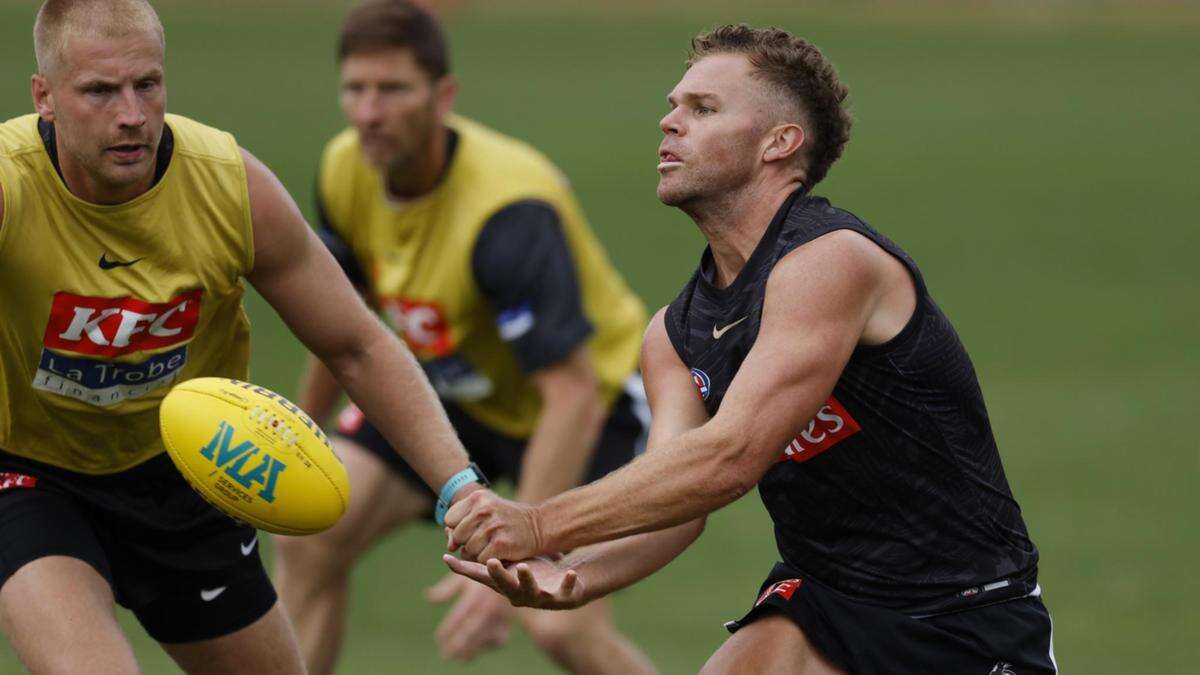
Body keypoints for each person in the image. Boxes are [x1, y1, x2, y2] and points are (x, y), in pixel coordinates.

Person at [442, 24, 1058, 675]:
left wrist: (539, 525)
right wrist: (576, 576)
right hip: (826, 600)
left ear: (779, 143)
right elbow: (680, 501)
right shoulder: (672, 337)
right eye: (674, 105)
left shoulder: (829, 263)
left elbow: (728, 457)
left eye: (703, 109)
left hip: (963, 616)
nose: (669, 122)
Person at [0, 1, 490, 673]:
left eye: (148, 84)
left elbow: (357, 344)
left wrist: (462, 489)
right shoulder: (9, 185)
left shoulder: (229, 187)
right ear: (44, 98)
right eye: (100, 91)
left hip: (187, 465)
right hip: (31, 471)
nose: (132, 115)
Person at [271, 1, 654, 673]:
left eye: (393, 89)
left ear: (443, 95)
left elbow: (571, 393)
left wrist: (520, 549)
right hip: (463, 388)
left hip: (594, 401)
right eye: (356, 89)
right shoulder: (344, 168)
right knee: (313, 534)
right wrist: (308, 429)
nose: (369, 111)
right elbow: (343, 319)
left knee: (558, 621)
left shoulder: (507, 210)